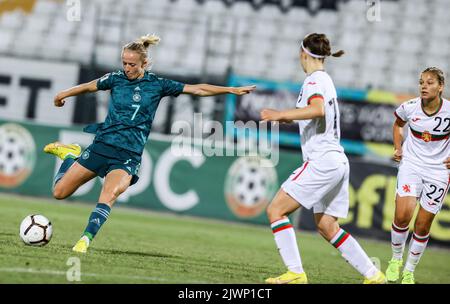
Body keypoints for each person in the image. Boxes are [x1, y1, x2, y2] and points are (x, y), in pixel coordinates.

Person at [44, 34, 256, 253]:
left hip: (128, 154)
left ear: (144, 63)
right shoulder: (115, 78)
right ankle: (70, 155)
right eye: (124, 63)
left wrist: (230, 90)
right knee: (59, 193)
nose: (127, 68)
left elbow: (197, 89)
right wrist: (64, 93)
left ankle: (85, 240)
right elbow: (90, 86)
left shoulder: (157, 85)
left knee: (110, 194)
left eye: (132, 64)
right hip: (102, 145)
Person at [260, 33, 385, 284]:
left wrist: (280, 113)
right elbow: (314, 115)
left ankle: (295, 274)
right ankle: (374, 275)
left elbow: (317, 109)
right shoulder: (325, 80)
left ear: (303, 53)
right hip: (337, 160)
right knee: (328, 226)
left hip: (322, 160)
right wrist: (285, 117)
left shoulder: (314, 81)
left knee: (276, 210)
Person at [386, 67, 449, 284]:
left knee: (422, 225)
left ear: (441, 87)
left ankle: (409, 271)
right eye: (421, 82)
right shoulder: (410, 107)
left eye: (430, 82)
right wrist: (397, 147)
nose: (424, 86)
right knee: (402, 215)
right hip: (411, 164)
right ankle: (395, 260)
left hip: (439, 171)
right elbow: (397, 124)